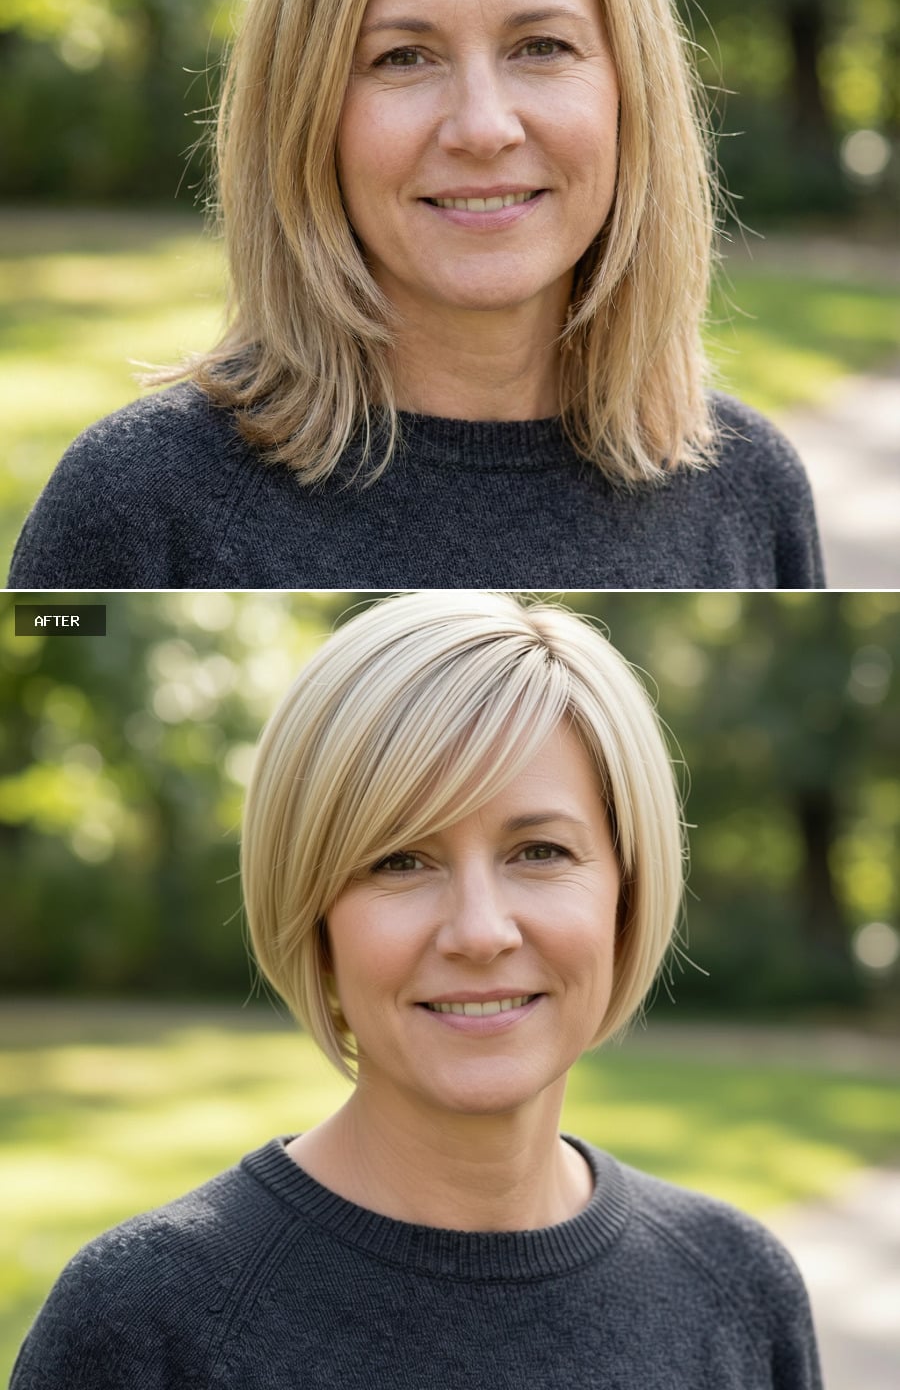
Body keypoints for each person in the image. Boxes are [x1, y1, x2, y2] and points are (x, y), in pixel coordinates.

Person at [8, 0, 822, 590]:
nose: (482, 126)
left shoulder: (752, 493)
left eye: (540, 46)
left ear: (629, 92)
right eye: (403, 57)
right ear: (304, 112)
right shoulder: (139, 508)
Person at [13, 591, 823, 1388]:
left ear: (627, 891)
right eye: (400, 860)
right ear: (314, 912)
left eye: (538, 851)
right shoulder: (142, 1323)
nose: (479, 931)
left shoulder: (738, 1291)